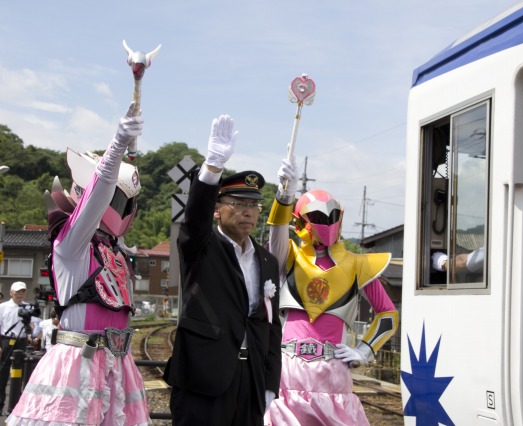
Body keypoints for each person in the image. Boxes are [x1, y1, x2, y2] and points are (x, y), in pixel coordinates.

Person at [7, 102, 150, 425]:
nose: (120, 208)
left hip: (118, 365)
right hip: (77, 365)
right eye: (116, 198)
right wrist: (115, 151)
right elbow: (94, 205)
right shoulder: (72, 243)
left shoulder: (113, 250)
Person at [163, 114, 282, 425]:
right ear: (217, 208)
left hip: (251, 380)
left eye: (254, 205)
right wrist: (212, 167)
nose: (248, 211)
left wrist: (270, 384)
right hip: (204, 380)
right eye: (238, 203)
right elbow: (194, 220)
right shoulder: (201, 246)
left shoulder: (267, 261)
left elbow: (271, 328)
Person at [264, 158, 399, 425]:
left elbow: (388, 313)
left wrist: (364, 350)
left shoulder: (357, 264)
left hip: (331, 370)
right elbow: (276, 235)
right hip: (288, 367)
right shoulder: (290, 256)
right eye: (316, 217)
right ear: (300, 221)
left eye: (332, 216)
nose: (326, 223)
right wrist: (285, 194)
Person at [0, 281, 30, 415]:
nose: (20, 294)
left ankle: (16, 406)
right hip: (6, 340)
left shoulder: (27, 307)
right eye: (18, 291)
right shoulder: (3, 307)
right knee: (3, 373)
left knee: (21, 374)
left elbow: (30, 329)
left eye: (23, 291)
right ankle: (1, 404)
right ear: (11, 292)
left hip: (22, 341)